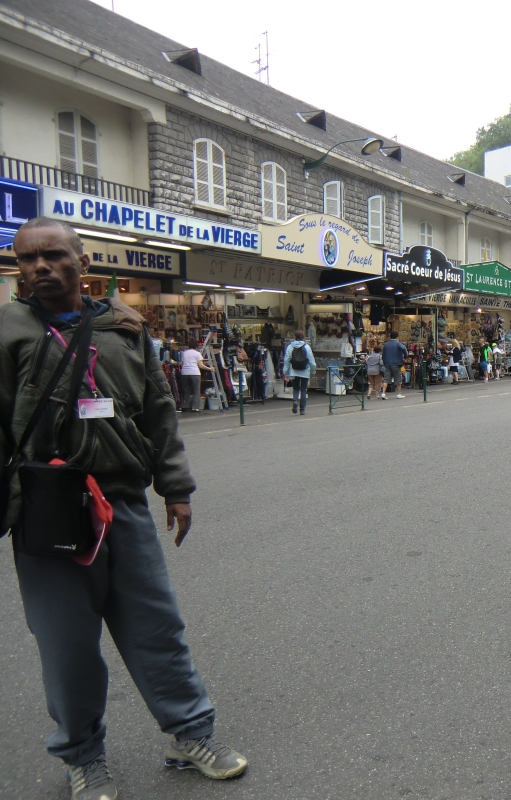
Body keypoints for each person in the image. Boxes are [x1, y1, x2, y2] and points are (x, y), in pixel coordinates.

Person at [5, 218, 246, 800]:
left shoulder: (122, 326)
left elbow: (158, 413)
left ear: (81, 262)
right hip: (49, 508)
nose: (41, 267)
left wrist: (177, 488)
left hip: (123, 500)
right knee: (67, 644)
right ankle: (84, 757)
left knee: (157, 627)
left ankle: (190, 733)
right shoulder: (6, 330)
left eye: (55, 256)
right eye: (27, 259)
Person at [283, 330, 316, 415]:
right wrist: (313, 370)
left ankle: (295, 401)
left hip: (294, 370)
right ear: (303, 337)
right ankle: (302, 409)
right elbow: (311, 361)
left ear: (294, 337)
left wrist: (285, 372)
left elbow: (287, 360)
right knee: (303, 390)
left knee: (296, 388)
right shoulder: (307, 347)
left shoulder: (290, 347)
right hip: (305, 370)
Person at [178, 345, 207, 412]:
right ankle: (195, 407)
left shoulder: (184, 353)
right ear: (196, 347)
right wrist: (210, 369)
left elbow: (181, 363)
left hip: (184, 373)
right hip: (195, 373)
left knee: (186, 391)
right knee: (196, 391)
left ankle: (185, 406)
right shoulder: (197, 353)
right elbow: (201, 365)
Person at [381, 330, 407, 399]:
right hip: (396, 363)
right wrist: (405, 357)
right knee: (398, 379)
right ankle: (398, 394)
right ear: (397, 336)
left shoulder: (386, 344)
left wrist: (384, 362)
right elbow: (404, 349)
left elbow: (383, 355)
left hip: (387, 363)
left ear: (390, 336)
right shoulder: (398, 343)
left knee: (386, 379)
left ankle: (383, 393)